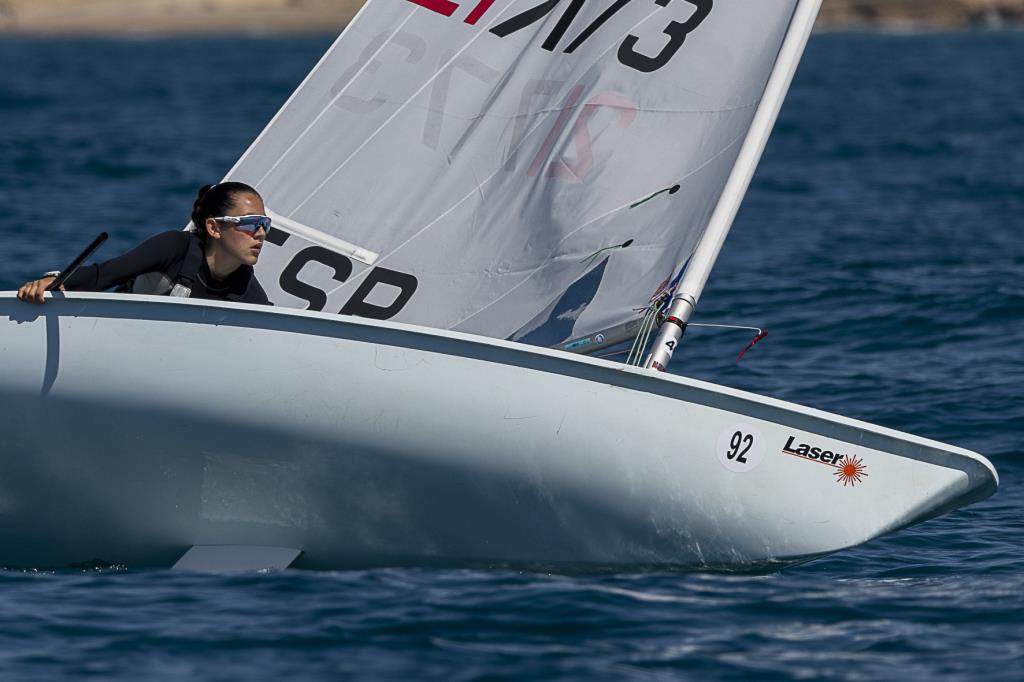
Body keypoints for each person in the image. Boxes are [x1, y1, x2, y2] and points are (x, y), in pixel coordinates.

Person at [17, 182, 271, 306]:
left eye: (264, 224)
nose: (260, 233)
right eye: (249, 223)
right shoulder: (174, 248)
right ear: (214, 227)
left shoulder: (246, 288)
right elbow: (103, 276)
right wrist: (54, 281)